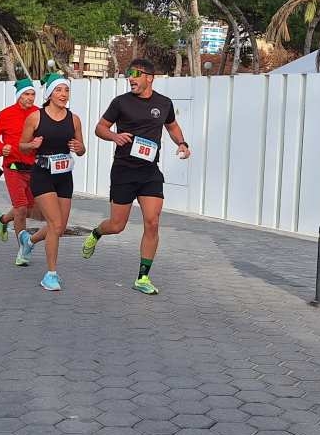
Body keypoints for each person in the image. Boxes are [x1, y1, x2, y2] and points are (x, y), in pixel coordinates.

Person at [80, 59, 191, 295]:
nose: (130, 78)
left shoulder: (164, 103)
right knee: (117, 225)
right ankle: (97, 232)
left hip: (150, 172)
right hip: (124, 170)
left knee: (152, 222)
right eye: (128, 74)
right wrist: (114, 136)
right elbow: (100, 128)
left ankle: (142, 277)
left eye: (135, 74)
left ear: (149, 77)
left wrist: (182, 143)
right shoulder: (121, 102)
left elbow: (172, 126)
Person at [17, 73, 85, 291]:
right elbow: (22, 146)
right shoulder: (35, 118)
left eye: (66, 90)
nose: (63, 94)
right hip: (43, 175)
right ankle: (51, 274)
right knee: (55, 224)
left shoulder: (74, 119)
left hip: (64, 176)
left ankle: (29, 241)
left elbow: (81, 149)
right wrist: (32, 145)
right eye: (58, 90)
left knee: (60, 227)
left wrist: (79, 148)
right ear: (49, 94)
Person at [0, 78, 41, 264]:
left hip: (34, 168)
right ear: (19, 96)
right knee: (21, 208)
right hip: (13, 167)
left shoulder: (39, 114)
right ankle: (23, 250)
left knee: (29, 207)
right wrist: (0, 148)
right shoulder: (6, 114)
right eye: (26, 94)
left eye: (32, 94)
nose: (30, 98)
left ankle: (3, 220)